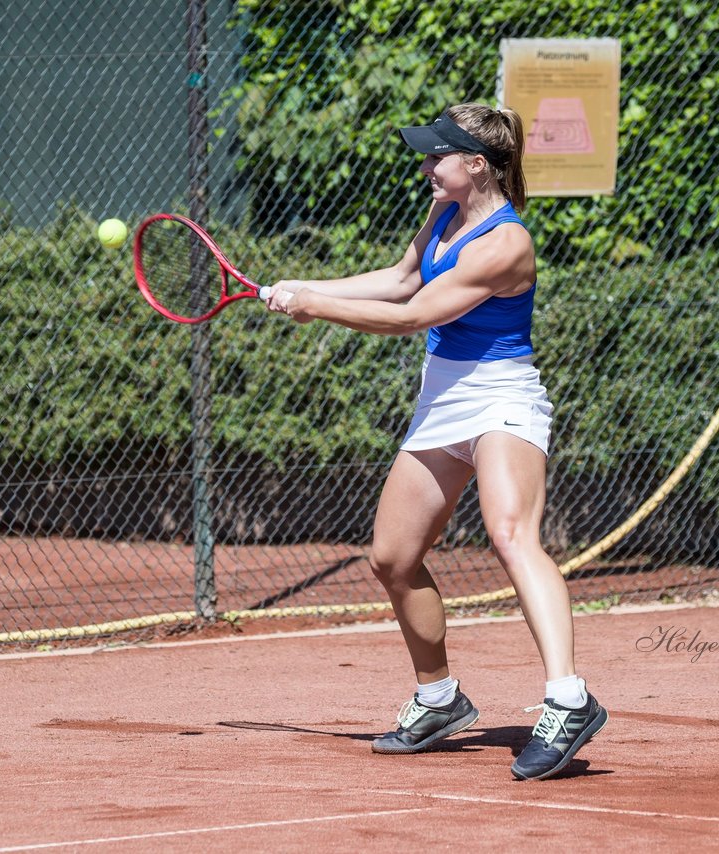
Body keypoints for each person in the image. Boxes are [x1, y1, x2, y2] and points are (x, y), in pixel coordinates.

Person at [264, 103, 606, 781]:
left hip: (501, 397)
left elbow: (412, 315)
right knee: (392, 559)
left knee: (511, 534)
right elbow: (401, 278)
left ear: (476, 164)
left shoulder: (506, 244)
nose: (425, 168)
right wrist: (301, 287)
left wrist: (315, 307)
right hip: (443, 399)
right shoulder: (446, 209)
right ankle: (439, 698)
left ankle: (568, 699)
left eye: (436, 157)